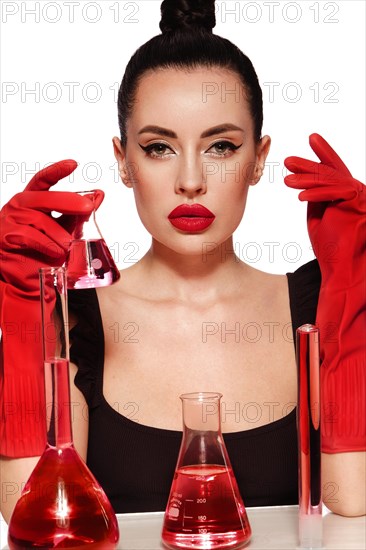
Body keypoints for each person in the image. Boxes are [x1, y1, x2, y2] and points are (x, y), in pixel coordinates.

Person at [0, 0, 365, 522]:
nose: (190, 180)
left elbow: (352, 498)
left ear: (258, 159)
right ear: (123, 161)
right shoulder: (74, 318)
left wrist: (356, 282)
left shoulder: (315, 306)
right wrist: (22, 313)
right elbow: (30, 513)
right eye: (158, 147)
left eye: (220, 145)